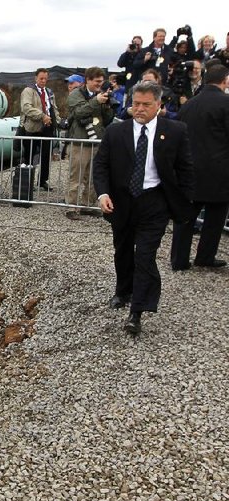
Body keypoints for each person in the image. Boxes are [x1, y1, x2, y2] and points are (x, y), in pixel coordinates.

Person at [93, 81, 196, 336]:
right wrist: (103, 194)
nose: (139, 109)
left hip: (155, 202)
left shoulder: (175, 131)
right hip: (122, 202)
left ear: (158, 105)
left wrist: (184, 200)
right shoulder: (116, 132)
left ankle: (137, 311)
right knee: (123, 251)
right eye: (135, 103)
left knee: (145, 256)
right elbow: (101, 166)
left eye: (145, 105)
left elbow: (185, 169)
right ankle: (123, 291)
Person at [170, 64, 229, 270]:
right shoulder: (226, 103)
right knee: (215, 217)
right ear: (225, 80)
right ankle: (205, 256)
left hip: (190, 168)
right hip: (219, 170)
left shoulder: (189, 104)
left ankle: (179, 259)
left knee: (185, 217)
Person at [66, 66, 114, 219]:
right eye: (97, 82)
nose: (100, 85)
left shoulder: (100, 95)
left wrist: (107, 106)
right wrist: (96, 101)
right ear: (88, 80)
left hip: (97, 140)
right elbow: (79, 112)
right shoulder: (75, 94)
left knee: (94, 176)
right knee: (76, 176)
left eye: (102, 82)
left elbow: (106, 120)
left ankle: (87, 204)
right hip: (80, 141)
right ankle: (71, 207)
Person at [19, 68, 60, 191]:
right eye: (41, 78)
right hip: (32, 128)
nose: (43, 81)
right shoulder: (28, 91)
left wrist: (57, 120)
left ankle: (42, 180)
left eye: (45, 79)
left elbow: (54, 108)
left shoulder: (49, 92)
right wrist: (42, 116)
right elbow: (26, 107)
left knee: (46, 155)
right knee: (29, 155)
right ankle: (27, 181)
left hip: (47, 127)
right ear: (35, 78)